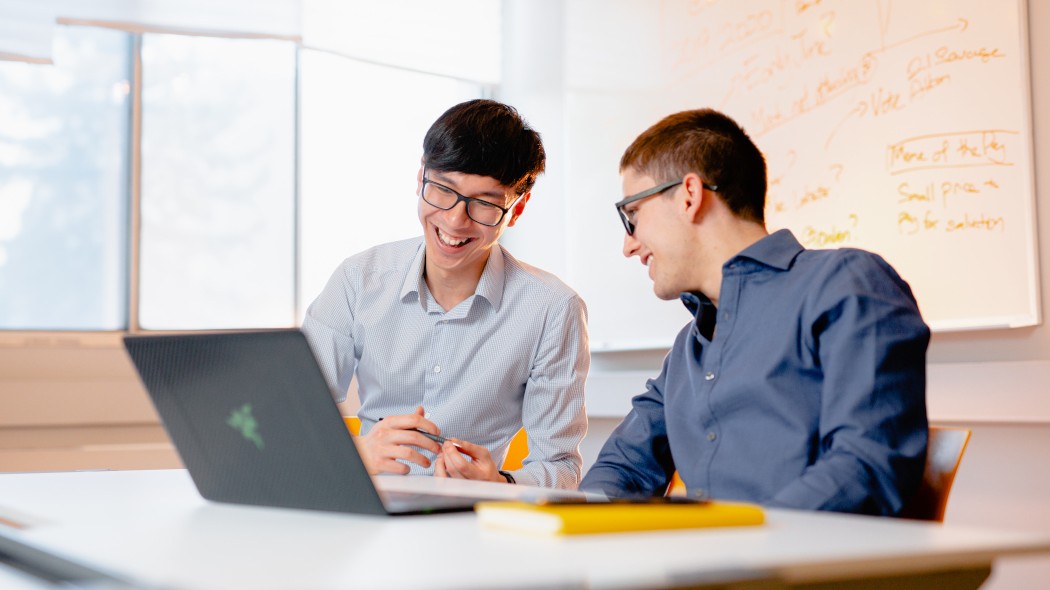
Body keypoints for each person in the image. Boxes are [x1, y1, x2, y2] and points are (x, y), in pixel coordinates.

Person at [579, 108, 929, 515]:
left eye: (633, 215)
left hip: (803, 554)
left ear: (690, 196)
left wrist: (738, 539)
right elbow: (622, 468)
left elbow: (865, 466)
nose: (629, 246)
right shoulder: (689, 349)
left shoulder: (844, 284)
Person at [301, 99, 588, 489]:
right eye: (442, 189)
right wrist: (359, 453)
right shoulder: (359, 279)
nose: (454, 220)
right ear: (421, 177)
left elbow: (561, 466)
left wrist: (500, 483)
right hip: (366, 502)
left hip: (473, 514)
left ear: (518, 208)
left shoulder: (552, 310)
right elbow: (290, 417)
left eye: (484, 204)